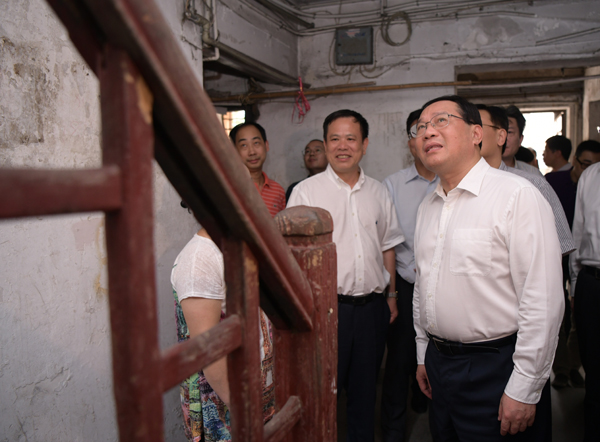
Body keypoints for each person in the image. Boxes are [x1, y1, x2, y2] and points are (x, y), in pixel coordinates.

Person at [413, 95, 563, 441]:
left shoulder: (517, 196)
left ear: (476, 133)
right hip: (439, 363)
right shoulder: (428, 204)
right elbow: (424, 287)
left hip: (495, 367)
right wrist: (423, 353)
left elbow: (542, 301)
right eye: (420, 126)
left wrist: (524, 387)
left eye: (441, 121)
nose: (427, 132)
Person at [288, 109, 404, 442]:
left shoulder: (379, 192)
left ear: (364, 144)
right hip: (324, 312)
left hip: (372, 310)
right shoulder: (306, 192)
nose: (343, 146)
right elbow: (293, 258)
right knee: (322, 394)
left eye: (350, 138)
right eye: (334, 139)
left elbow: (388, 248)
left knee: (366, 393)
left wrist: (392, 297)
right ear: (325, 145)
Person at [171, 226, 275, 442]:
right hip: (227, 405)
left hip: (254, 394)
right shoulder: (199, 259)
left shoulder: (240, 245)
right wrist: (243, 411)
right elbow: (210, 354)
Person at [381, 109, 436, 442]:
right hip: (404, 282)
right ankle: (392, 432)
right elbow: (386, 242)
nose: (427, 135)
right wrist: (391, 294)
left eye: (434, 127)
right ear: (410, 141)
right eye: (420, 130)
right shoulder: (393, 185)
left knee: (440, 360)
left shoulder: (453, 179)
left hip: (445, 286)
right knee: (399, 364)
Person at [476, 104, 574, 256]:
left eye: (509, 132)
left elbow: (560, 245)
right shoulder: (457, 183)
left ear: (520, 139)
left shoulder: (534, 182)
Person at [570, 161, 600, 442]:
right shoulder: (591, 176)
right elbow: (577, 236)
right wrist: (576, 289)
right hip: (593, 282)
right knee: (594, 371)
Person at [230, 121, 286, 217]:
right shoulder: (228, 188)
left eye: (256, 143)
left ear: (266, 145)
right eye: (244, 145)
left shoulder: (278, 191)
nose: (252, 152)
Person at [503, 105, 543, 176]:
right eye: (499, 132)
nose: (503, 138)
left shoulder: (532, 174)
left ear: (520, 139)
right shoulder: (478, 172)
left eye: (509, 132)